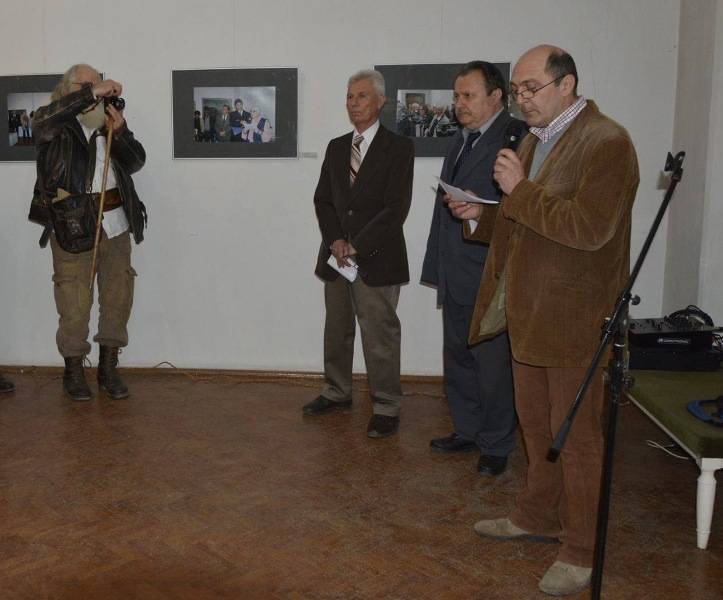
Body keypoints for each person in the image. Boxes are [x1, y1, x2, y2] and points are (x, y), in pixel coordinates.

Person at [449, 45, 639, 596]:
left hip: (575, 320)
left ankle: (580, 549)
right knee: (534, 427)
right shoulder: (536, 140)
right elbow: (523, 220)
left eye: (530, 88)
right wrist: (480, 215)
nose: (521, 100)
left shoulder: (607, 142)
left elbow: (590, 229)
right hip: (529, 313)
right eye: (516, 90)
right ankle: (537, 515)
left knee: (575, 438)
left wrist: (519, 190)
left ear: (567, 84)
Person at [421, 61, 523, 476]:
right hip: (455, 268)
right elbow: (443, 213)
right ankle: (467, 429)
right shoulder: (460, 140)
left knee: (492, 365)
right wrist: (436, 265)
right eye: (456, 96)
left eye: (468, 96)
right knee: (459, 356)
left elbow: (518, 207)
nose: (459, 104)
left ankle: (497, 443)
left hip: (489, 272)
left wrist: (479, 210)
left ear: (496, 97)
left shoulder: (515, 138)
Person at [304, 69, 414, 438]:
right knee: (337, 330)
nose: (354, 103)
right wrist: (336, 240)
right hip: (337, 258)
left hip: (376, 258)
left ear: (381, 101)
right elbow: (323, 200)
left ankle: (386, 405)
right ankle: (337, 391)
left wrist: (358, 245)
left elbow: (396, 208)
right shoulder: (337, 147)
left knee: (379, 334)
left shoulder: (399, 148)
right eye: (350, 97)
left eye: (362, 96)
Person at [30, 63, 147, 402]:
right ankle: (73, 371)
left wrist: (120, 132)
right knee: (74, 301)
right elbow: (39, 122)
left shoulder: (106, 121)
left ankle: (108, 368)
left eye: (98, 84)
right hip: (72, 225)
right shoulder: (54, 124)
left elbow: (136, 161)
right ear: (68, 90)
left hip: (116, 223)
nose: (96, 91)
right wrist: (91, 93)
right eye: (86, 85)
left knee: (118, 296)